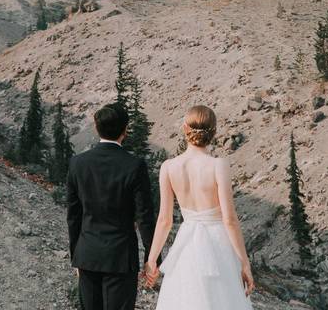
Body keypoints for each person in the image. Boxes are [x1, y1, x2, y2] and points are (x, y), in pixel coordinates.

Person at [144, 105, 255, 309]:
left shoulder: (169, 167)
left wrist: (152, 260)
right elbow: (229, 219)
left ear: (185, 128)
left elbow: (164, 220)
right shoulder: (218, 165)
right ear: (214, 131)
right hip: (218, 243)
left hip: (186, 244)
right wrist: (244, 263)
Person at [67, 102, 156, 310]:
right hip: (121, 257)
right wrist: (152, 258)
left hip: (87, 255)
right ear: (125, 130)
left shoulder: (77, 163)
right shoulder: (134, 166)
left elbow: (73, 216)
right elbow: (144, 216)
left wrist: (76, 256)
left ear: (97, 128)